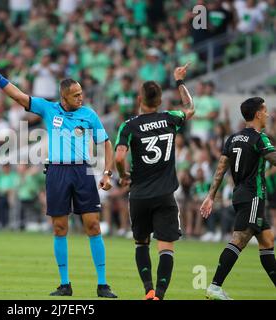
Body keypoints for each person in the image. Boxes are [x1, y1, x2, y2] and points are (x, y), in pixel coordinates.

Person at [0, 56, 117, 298]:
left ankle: (103, 284)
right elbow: (18, 95)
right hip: (57, 171)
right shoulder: (48, 108)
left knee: (93, 225)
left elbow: (106, 144)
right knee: (59, 227)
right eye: (75, 95)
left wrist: (107, 173)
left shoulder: (89, 114)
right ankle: (65, 284)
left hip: (82, 170)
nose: (80, 97)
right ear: (63, 98)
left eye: (81, 93)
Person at [115, 64, 195, 300]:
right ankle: (159, 294)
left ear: (140, 98)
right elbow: (190, 108)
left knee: (141, 244)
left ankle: (148, 289)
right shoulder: (171, 118)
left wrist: (123, 175)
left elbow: (119, 156)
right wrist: (179, 81)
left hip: (139, 195)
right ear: (160, 102)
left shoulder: (129, 126)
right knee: (166, 247)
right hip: (164, 195)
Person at [200, 97, 276, 300]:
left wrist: (210, 195)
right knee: (240, 239)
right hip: (254, 196)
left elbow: (221, 168)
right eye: (265, 111)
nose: (267, 114)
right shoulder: (261, 139)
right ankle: (215, 286)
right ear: (258, 114)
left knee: (267, 241)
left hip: (240, 195)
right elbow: (274, 158)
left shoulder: (233, 138)